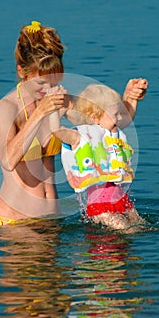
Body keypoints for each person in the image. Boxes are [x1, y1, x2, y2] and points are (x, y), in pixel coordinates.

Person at [0, 20, 148, 227]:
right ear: (21, 72)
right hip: (14, 222)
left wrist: (130, 98)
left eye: (53, 81)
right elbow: (8, 161)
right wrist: (39, 115)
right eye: (40, 82)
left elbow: (108, 124)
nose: (48, 89)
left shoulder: (58, 100)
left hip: (52, 221)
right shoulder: (6, 108)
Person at [49, 83, 146, 231]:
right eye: (115, 115)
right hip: (99, 206)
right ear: (95, 118)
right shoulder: (80, 138)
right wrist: (55, 110)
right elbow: (56, 131)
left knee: (142, 225)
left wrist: (133, 99)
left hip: (120, 199)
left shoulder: (113, 134)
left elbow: (127, 118)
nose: (120, 118)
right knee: (126, 229)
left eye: (120, 113)